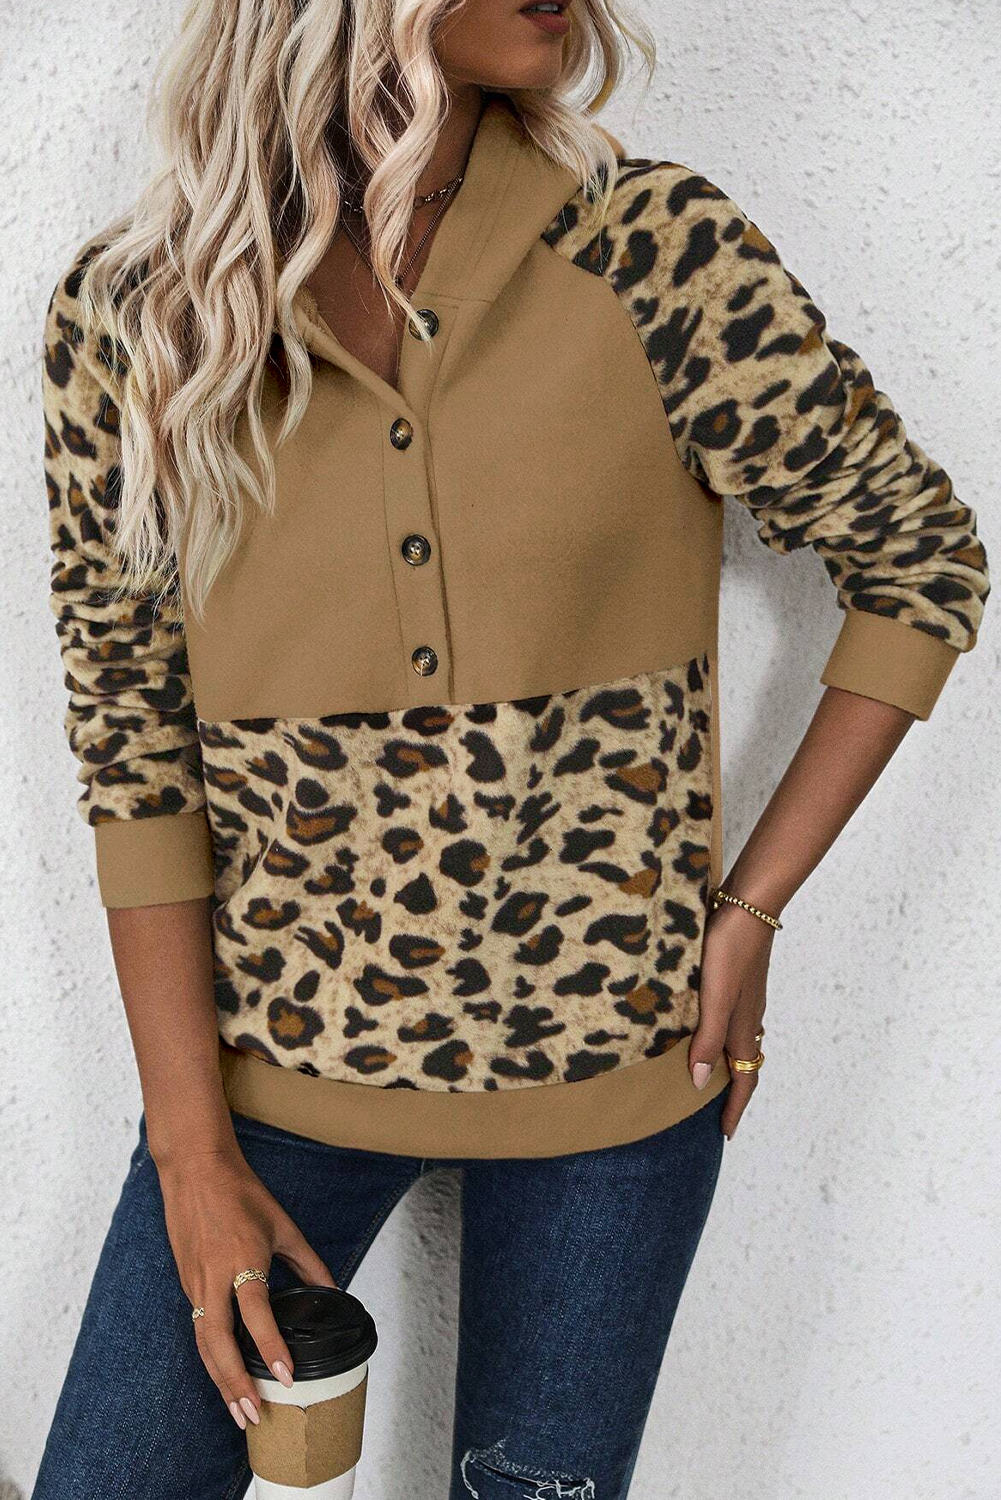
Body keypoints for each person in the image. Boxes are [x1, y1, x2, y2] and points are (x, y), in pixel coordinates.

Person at [33, 0, 990, 1496]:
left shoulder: (654, 250)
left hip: (623, 1079)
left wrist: (751, 911)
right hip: (267, 1083)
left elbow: (921, 562)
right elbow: (131, 742)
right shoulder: (140, 315)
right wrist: (189, 1152)